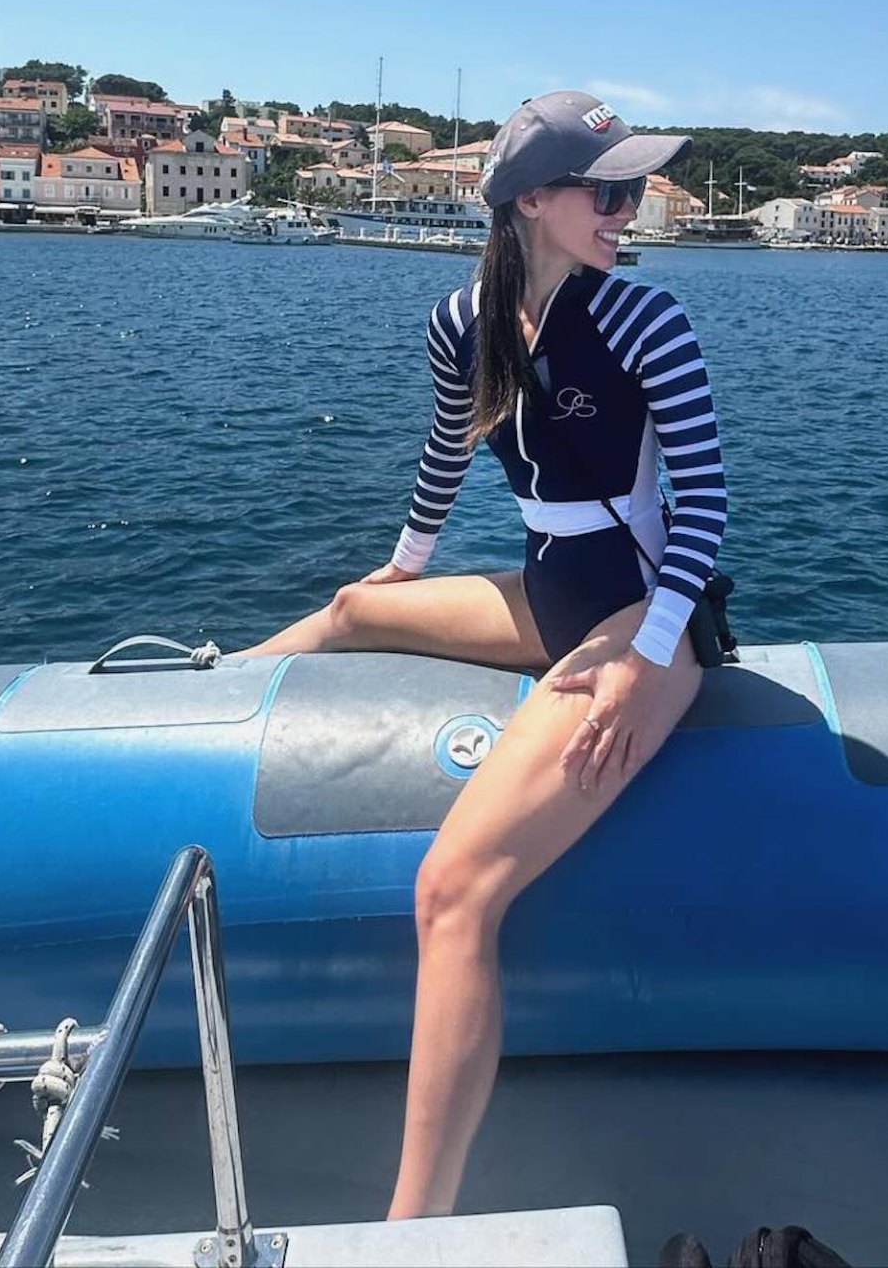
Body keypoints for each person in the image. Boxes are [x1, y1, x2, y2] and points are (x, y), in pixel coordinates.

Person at [238, 90, 729, 1220]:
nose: (627, 210)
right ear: (531, 201)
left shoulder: (644, 318)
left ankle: (411, 1228)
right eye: (608, 191)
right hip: (548, 593)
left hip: (646, 614)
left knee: (453, 892)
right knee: (350, 609)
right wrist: (402, 565)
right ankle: (191, 691)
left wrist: (640, 656)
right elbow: (447, 447)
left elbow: (703, 509)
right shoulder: (459, 319)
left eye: (632, 190)